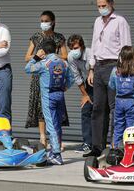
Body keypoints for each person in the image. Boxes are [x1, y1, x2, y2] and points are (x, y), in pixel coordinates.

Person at [85, 0, 131, 157]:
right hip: (99, 66)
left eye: (104, 5)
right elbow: (94, 44)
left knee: (115, 108)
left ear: (112, 4)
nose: (101, 8)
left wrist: (122, 68)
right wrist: (91, 68)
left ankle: (116, 145)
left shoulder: (120, 21)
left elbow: (126, 47)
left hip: (114, 66)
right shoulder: (98, 21)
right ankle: (97, 146)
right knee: (98, 108)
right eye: (99, 6)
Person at [25, 39, 74, 165]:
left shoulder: (43, 63)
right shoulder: (64, 63)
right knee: (57, 123)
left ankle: (56, 154)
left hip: (48, 96)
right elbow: (72, 78)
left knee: (51, 124)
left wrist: (35, 57)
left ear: (44, 51)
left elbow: (27, 69)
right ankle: (54, 151)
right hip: (60, 95)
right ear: (56, 50)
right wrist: (65, 87)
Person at [24, 10, 68, 147]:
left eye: (46, 21)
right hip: (39, 75)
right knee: (40, 107)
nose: (43, 23)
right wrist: (38, 56)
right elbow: (27, 57)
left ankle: (56, 137)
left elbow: (65, 56)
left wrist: (52, 56)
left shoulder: (59, 38)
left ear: (53, 22)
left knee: (55, 107)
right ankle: (43, 137)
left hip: (54, 75)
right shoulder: (36, 37)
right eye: (42, 21)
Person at [108, 46, 134, 147]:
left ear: (121, 57)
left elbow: (111, 86)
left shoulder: (115, 71)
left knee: (118, 127)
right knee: (131, 129)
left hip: (119, 102)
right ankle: (129, 152)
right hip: (132, 103)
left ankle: (116, 150)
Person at [67, 34, 93, 155]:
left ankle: (100, 144)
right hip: (88, 83)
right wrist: (85, 94)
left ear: (82, 46)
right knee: (86, 110)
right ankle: (87, 143)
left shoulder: (90, 53)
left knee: (100, 112)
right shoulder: (71, 57)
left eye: (76, 48)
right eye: (71, 48)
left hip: (100, 80)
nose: (74, 51)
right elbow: (77, 77)